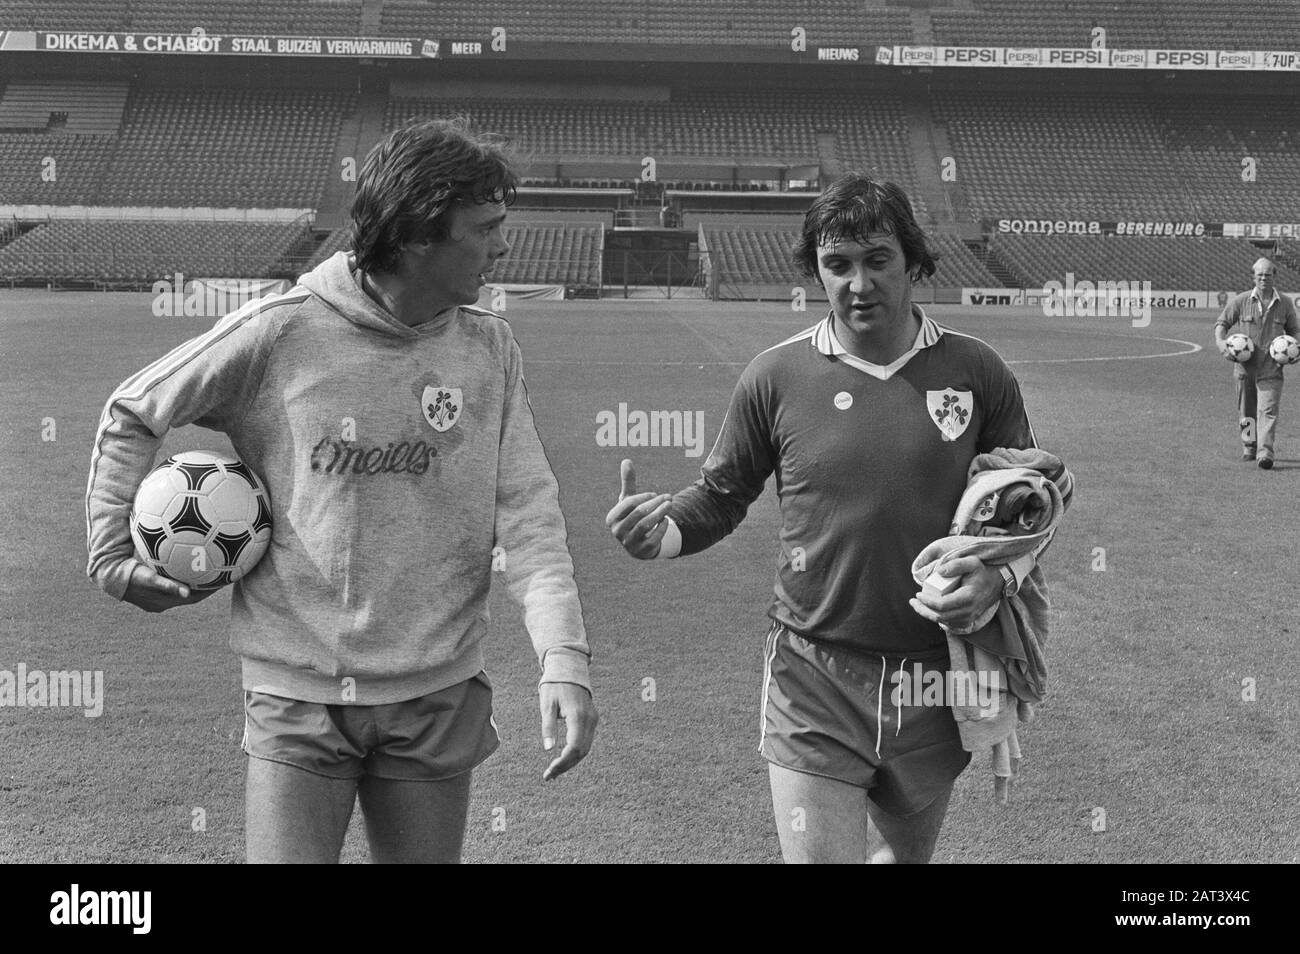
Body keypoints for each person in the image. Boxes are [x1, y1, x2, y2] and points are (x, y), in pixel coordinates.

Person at [86, 118, 597, 863]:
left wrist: (563, 657)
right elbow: (134, 409)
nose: (503, 245)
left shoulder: (489, 347)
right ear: (421, 233)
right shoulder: (281, 332)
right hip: (297, 690)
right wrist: (109, 553)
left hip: (436, 690)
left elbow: (529, 516)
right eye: (485, 227)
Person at [606, 173, 1067, 864]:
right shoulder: (775, 376)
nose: (858, 283)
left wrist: (996, 583)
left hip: (936, 676)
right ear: (817, 271)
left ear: (912, 261)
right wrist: (663, 531)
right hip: (813, 671)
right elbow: (723, 495)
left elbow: (1022, 505)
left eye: (876, 259)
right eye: (838, 264)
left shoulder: (978, 372)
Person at [1214, 256, 1299, 469]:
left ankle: (1265, 453)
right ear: (1253, 277)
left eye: (1267, 275)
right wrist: (1221, 343)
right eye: (1260, 275)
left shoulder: (1286, 303)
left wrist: (1296, 349)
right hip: (1244, 369)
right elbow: (1221, 324)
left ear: (1275, 276)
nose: (1263, 279)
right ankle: (1249, 447)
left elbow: (1295, 330)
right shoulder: (1241, 301)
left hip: (1272, 369)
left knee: (1268, 410)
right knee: (1247, 412)